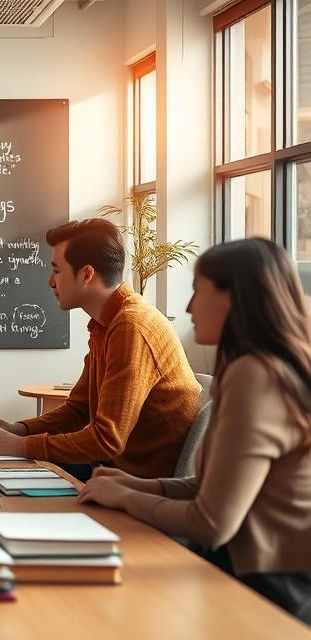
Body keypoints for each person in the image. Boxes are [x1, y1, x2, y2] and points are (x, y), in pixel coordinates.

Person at [79, 238, 311, 625]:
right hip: (250, 576)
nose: (188, 307)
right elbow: (210, 487)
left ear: (232, 299)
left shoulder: (255, 377)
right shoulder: (260, 369)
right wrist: (136, 485)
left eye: (197, 290)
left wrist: (123, 498)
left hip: (267, 594)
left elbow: (212, 523)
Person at [0, 218, 200, 479]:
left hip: (134, 485)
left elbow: (107, 439)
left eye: (56, 271)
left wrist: (21, 447)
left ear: (86, 275)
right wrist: (19, 430)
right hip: (109, 471)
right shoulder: (106, 324)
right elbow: (78, 410)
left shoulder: (131, 327)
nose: (50, 282)